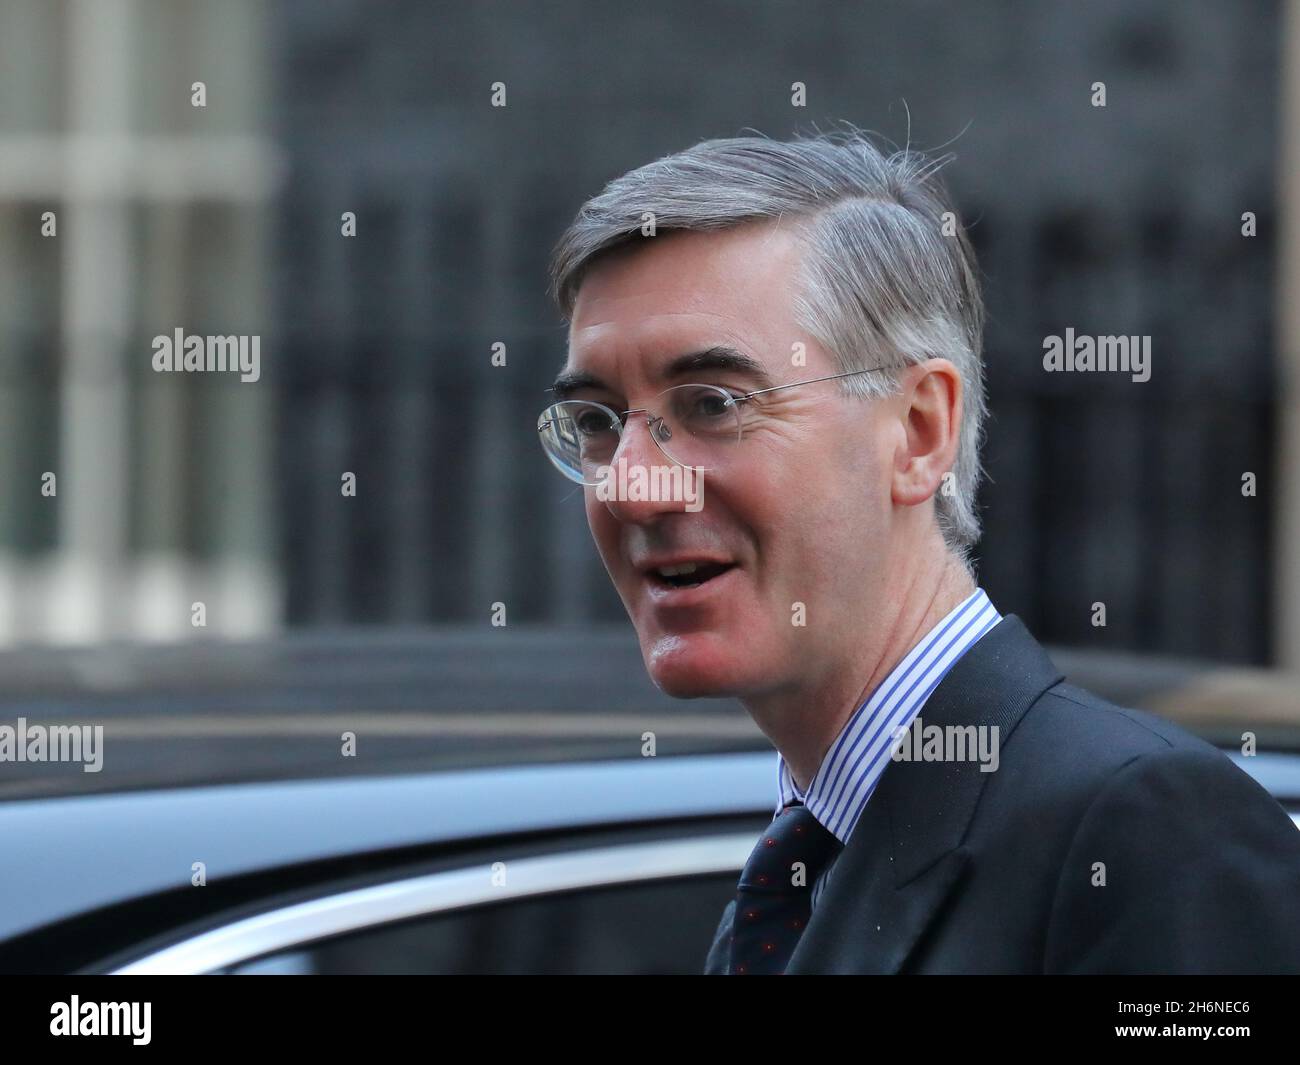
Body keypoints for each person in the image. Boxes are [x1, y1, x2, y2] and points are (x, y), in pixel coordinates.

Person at [537, 128, 1300, 973]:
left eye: (714, 404)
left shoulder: (1146, 830)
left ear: (919, 431)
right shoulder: (807, 862)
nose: (634, 487)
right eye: (598, 420)